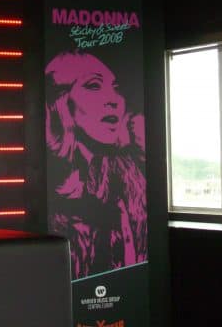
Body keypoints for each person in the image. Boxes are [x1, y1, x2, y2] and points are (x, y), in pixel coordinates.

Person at [45, 51, 147, 279]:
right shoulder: (54, 186)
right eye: (94, 86)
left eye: (115, 88)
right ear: (61, 103)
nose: (114, 100)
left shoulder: (131, 178)